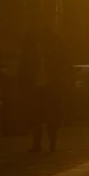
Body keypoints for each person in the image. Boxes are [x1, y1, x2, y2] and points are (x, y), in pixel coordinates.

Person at [19, 19, 68, 152]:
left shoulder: (53, 40)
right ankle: (37, 144)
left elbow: (61, 62)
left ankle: (51, 143)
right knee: (36, 116)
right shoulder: (30, 41)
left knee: (50, 115)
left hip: (50, 83)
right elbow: (24, 63)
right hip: (36, 83)